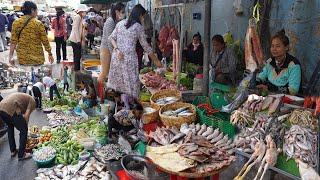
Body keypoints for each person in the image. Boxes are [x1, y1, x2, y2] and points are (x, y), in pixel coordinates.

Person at [108, 4, 162, 99]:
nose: (143, 19)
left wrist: (116, 49)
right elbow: (146, 47)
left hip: (117, 58)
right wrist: (156, 61)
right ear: (139, 15)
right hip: (128, 60)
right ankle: (129, 110)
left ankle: (118, 108)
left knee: (118, 88)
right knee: (131, 88)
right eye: (143, 16)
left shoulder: (120, 23)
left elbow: (111, 38)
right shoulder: (138, 27)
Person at [8, 1, 54, 66]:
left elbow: (13, 41)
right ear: (32, 10)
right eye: (36, 10)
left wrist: (10, 56)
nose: (37, 12)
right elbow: (45, 41)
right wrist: (50, 53)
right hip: (37, 59)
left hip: (22, 59)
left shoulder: (16, 23)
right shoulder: (38, 23)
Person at [257, 30, 301, 95]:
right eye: (272, 46)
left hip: (287, 99)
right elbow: (262, 76)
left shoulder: (294, 65)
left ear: (286, 47)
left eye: (278, 46)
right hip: (269, 95)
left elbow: (293, 90)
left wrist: (271, 88)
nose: (274, 49)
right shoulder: (270, 61)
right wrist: (255, 81)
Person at [0, 93, 36, 160]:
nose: (33, 110)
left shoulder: (25, 98)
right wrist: (25, 128)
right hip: (10, 108)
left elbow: (20, 114)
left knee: (10, 128)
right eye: (33, 109)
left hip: (1, 108)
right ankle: (21, 154)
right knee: (24, 130)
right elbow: (26, 116)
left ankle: (13, 151)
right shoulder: (32, 102)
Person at [98, 2, 126, 84]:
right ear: (117, 12)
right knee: (104, 73)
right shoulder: (110, 21)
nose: (124, 14)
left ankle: (104, 93)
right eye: (123, 11)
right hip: (106, 49)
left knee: (109, 73)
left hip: (111, 49)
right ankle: (98, 94)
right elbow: (110, 40)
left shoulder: (116, 21)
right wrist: (114, 54)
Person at [69, 4, 89, 71]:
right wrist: (78, 40)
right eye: (84, 11)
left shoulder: (80, 18)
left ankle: (76, 70)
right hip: (75, 40)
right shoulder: (78, 17)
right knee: (77, 56)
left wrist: (83, 39)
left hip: (76, 39)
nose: (85, 13)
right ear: (81, 11)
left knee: (77, 56)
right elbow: (75, 29)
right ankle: (76, 71)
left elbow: (80, 29)